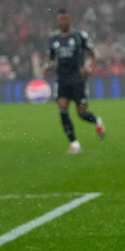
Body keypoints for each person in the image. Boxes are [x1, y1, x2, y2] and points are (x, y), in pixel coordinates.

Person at [45, 9, 105, 154]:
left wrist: (88, 67)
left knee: (82, 113)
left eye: (66, 19)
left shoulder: (79, 36)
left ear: (70, 20)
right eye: (61, 19)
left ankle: (97, 121)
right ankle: (75, 144)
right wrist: (48, 67)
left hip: (78, 79)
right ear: (57, 21)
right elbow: (52, 58)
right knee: (62, 108)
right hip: (62, 79)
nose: (63, 21)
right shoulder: (53, 39)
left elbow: (94, 54)